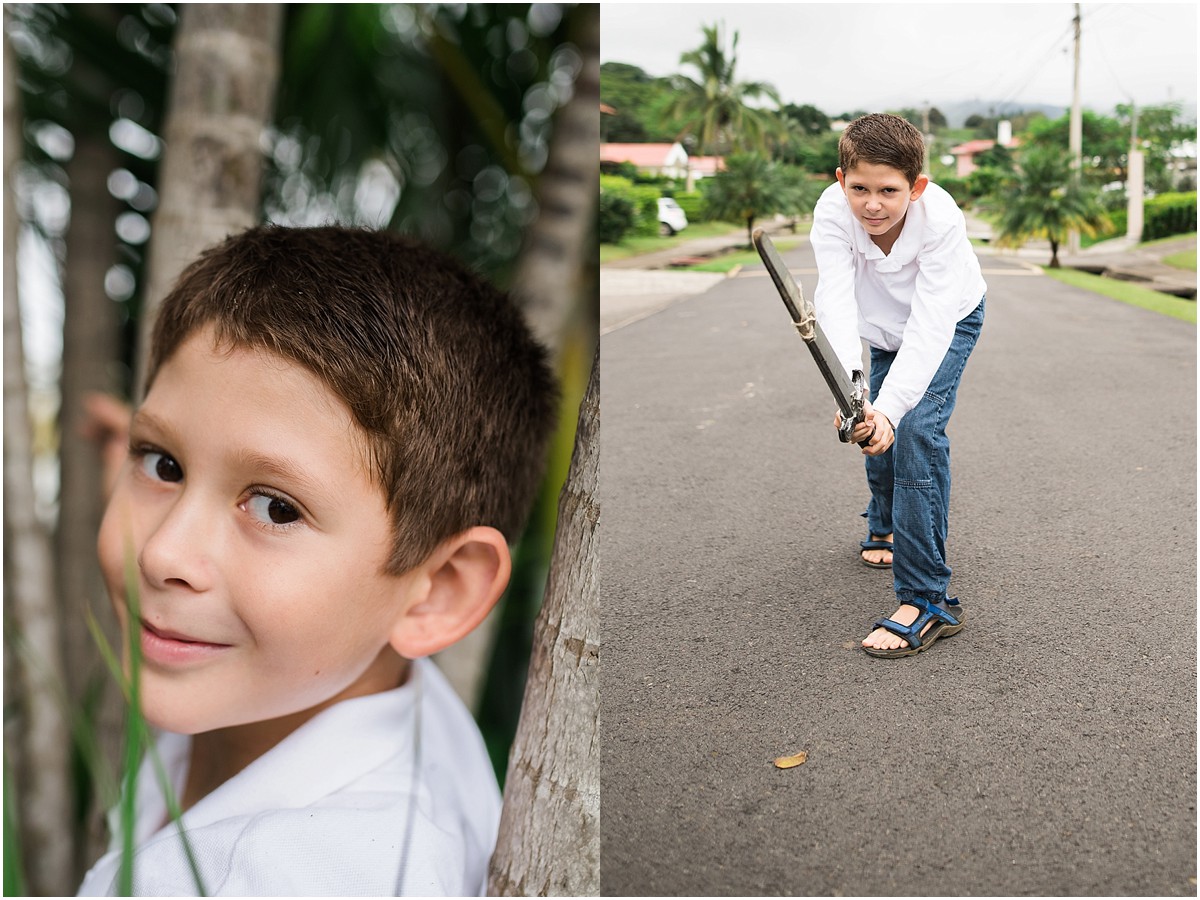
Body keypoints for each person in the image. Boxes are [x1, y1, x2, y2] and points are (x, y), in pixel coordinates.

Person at [76, 226, 558, 895]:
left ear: (437, 592)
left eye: (275, 508)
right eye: (164, 464)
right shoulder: (353, 687)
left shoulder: (292, 875)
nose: (162, 553)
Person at [809, 113, 986, 659]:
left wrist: (890, 410)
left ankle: (928, 598)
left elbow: (932, 326)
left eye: (889, 190)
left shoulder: (941, 222)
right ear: (841, 180)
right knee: (871, 425)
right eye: (859, 188)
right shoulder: (832, 212)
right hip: (882, 333)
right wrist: (854, 395)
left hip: (948, 323)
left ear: (917, 187)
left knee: (912, 432)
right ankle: (884, 523)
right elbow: (834, 303)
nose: (873, 204)